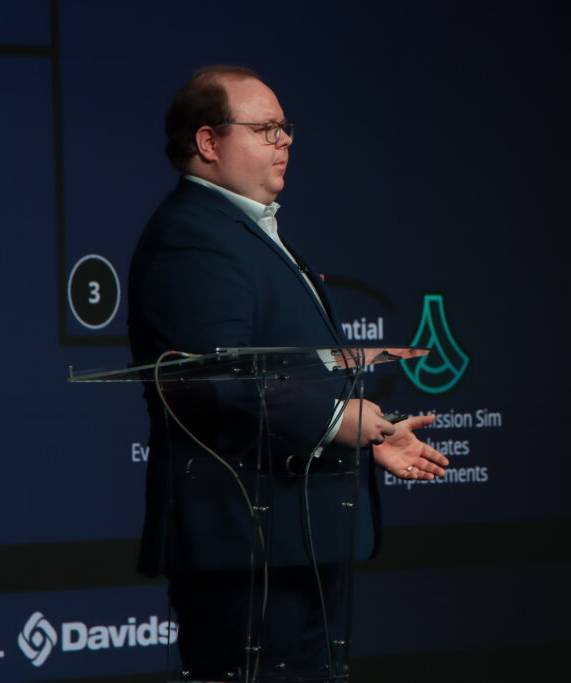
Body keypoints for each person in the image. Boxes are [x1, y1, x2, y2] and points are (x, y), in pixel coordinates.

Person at [127, 65, 449, 680]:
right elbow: (218, 377)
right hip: (244, 539)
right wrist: (335, 420)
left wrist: (370, 432)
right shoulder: (192, 239)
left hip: (298, 533)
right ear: (208, 142)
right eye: (267, 128)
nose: (286, 141)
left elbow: (280, 370)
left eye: (286, 128)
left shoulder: (249, 232)